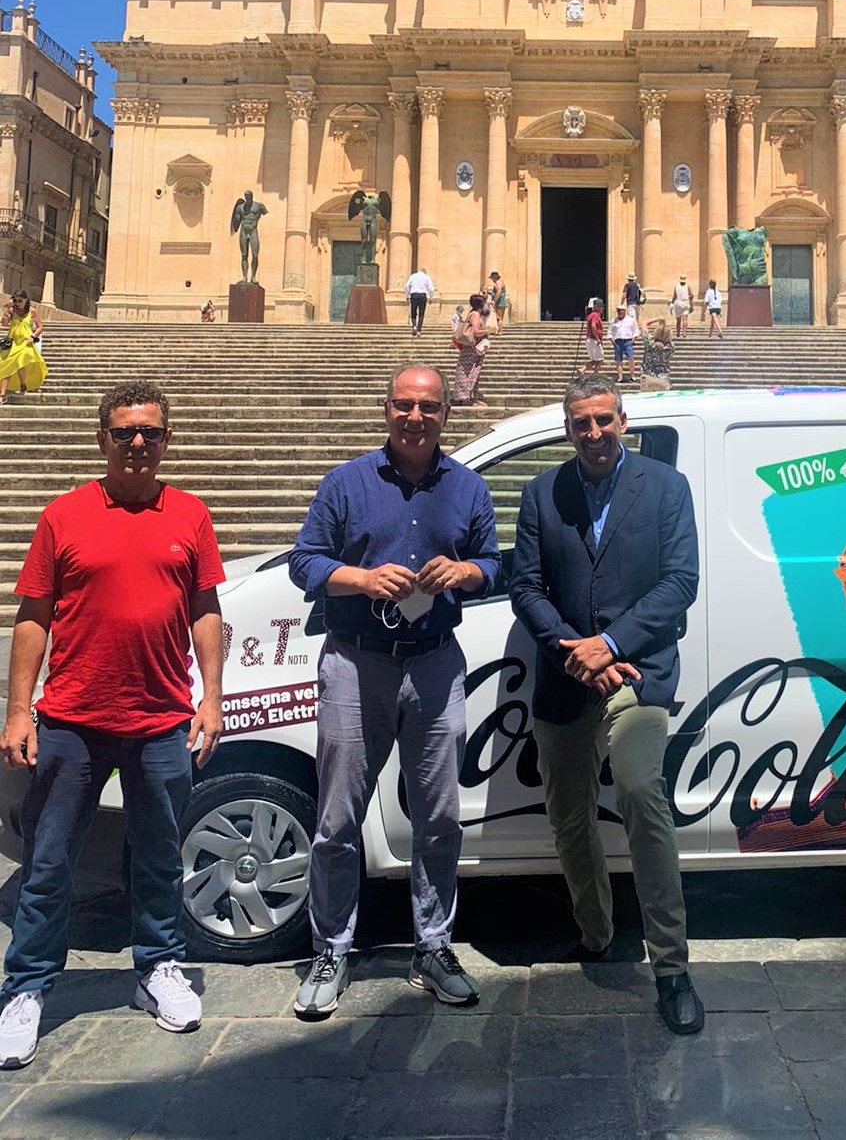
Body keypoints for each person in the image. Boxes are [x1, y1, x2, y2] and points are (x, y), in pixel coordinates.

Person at [0, 379, 224, 1068]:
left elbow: (205, 611)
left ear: (166, 440)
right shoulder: (63, 515)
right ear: (102, 437)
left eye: (150, 432)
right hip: (71, 717)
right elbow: (34, 614)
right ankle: (26, 988)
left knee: (159, 855)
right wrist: (18, 708)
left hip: (161, 718)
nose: (137, 443)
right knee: (48, 862)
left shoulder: (189, 514)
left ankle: (158, 969)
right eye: (125, 431)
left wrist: (211, 696)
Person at [288, 364, 500, 1019]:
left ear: (444, 414)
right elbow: (305, 562)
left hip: (435, 664)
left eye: (428, 407)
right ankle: (331, 950)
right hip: (356, 664)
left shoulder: (467, 489)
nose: (415, 417)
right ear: (386, 409)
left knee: (438, 818)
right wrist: (356, 577)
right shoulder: (346, 482)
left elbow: (493, 564)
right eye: (404, 405)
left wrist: (466, 570)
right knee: (335, 821)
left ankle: (432, 946)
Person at [509, 374, 704, 1036]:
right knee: (567, 815)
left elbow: (681, 582)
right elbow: (526, 586)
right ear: (567, 430)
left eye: (602, 420)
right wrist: (576, 649)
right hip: (568, 673)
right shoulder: (542, 492)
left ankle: (671, 967)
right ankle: (595, 932)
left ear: (623, 422)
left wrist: (611, 643)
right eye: (579, 423)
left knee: (641, 791)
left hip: (637, 671)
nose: (592, 432)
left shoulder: (665, 488)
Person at [0, 293, 46, 403]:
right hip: (13, 342)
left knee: (20, 362)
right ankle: (4, 393)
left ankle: (22, 384)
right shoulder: (11, 310)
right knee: (8, 366)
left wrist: (33, 336)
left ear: (26, 300)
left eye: (20, 301)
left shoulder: (31, 311)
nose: (18, 303)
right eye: (16, 300)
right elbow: (4, 324)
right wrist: (7, 309)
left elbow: (40, 327)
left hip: (26, 342)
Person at [452, 294, 491, 408]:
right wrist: (488, 331)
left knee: (472, 372)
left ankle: (471, 397)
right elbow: (475, 332)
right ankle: (466, 398)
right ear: (481, 304)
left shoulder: (472, 313)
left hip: (471, 348)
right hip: (472, 349)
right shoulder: (476, 315)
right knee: (468, 372)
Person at [640, 317, 675, 391]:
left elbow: (643, 323)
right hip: (663, 380)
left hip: (647, 378)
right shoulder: (671, 347)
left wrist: (657, 318)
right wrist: (663, 324)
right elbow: (664, 335)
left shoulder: (649, 342)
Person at [608, 305, 636, 383]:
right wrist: (613, 341)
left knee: (631, 358)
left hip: (628, 341)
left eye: (621, 310)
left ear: (625, 311)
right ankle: (620, 377)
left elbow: (635, 331)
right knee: (618, 360)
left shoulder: (631, 320)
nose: (620, 312)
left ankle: (632, 375)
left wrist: (632, 341)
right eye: (618, 311)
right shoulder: (614, 321)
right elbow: (610, 332)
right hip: (618, 342)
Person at [405, 267, 435, 336]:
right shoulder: (427, 277)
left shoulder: (413, 276)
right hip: (422, 296)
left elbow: (407, 286)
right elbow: (431, 289)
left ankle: (414, 326)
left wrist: (407, 296)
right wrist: (431, 297)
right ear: (425, 272)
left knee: (413, 312)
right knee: (421, 314)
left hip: (414, 295)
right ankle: (419, 330)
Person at [582, 298, 605, 372]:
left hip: (590, 340)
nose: (603, 309)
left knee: (596, 360)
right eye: (601, 307)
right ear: (597, 307)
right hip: (593, 339)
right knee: (600, 360)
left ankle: (583, 369)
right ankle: (594, 373)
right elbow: (593, 325)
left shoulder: (591, 315)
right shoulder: (595, 315)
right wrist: (597, 338)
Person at [486, 271, 509, 336]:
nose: (492, 280)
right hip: (502, 302)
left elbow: (499, 291)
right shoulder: (500, 282)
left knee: (499, 317)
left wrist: (494, 301)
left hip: (499, 302)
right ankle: (498, 330)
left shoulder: (497, 283)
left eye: (492, 278)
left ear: (494, 278)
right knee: (499, 317)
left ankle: (500, 331)